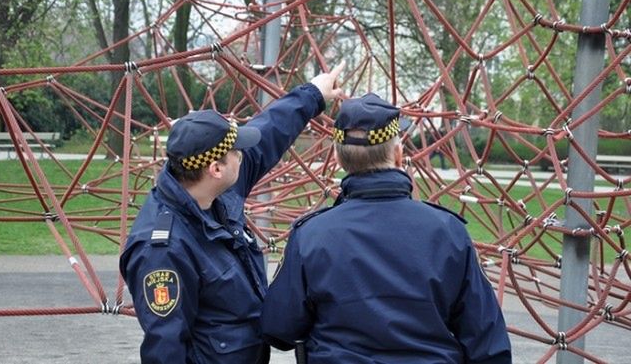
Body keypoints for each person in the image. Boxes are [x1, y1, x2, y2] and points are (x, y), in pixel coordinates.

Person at [260, 93, 512, 363]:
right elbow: (487, 342)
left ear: (338, 157)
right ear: (398, 154)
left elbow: (279, 328)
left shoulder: (312, 234)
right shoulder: (447, 231)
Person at [119, 62, 344, 364]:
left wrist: (314, 93)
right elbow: (165, 349)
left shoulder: (216, 190)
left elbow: (269, 132)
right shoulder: (163, 250)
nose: (245, 155)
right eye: (237, 151)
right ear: (215, 169)